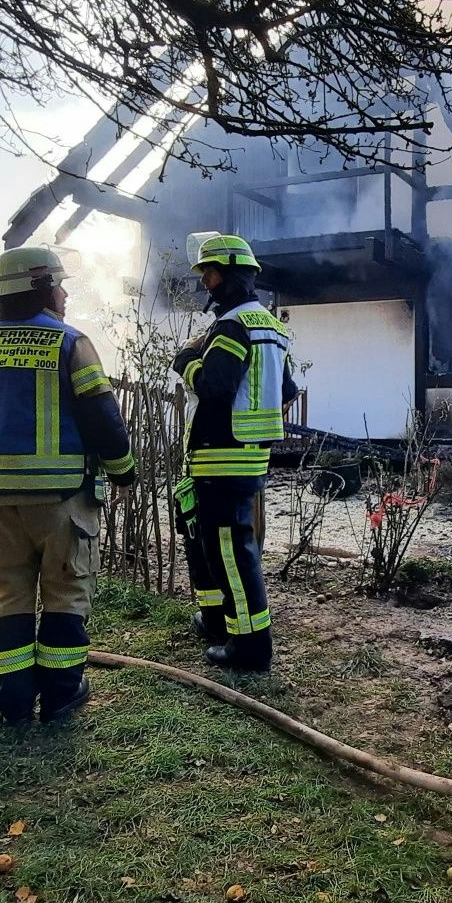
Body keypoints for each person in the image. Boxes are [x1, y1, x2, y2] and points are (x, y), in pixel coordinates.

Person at [0, 247, 136, 724]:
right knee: (65, 592)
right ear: (41, 286)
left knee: (6, 593)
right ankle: (60, 695)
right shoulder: (70, 343)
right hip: (60, 499)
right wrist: (123, 470)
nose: (65, 293)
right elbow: (101, 418)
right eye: (60, 283)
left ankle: (12, 697)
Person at [171, 234, 297, 673]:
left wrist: (185, 359)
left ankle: (248, 648)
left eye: (210, 272)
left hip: (221, 457)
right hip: (246, 458)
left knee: (230, 551)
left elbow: (214, 386)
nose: (205, 281)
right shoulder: (272, 328)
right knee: (225, 547)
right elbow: (287, 390)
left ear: (232, 275)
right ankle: (221, 624)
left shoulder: (232, 327)